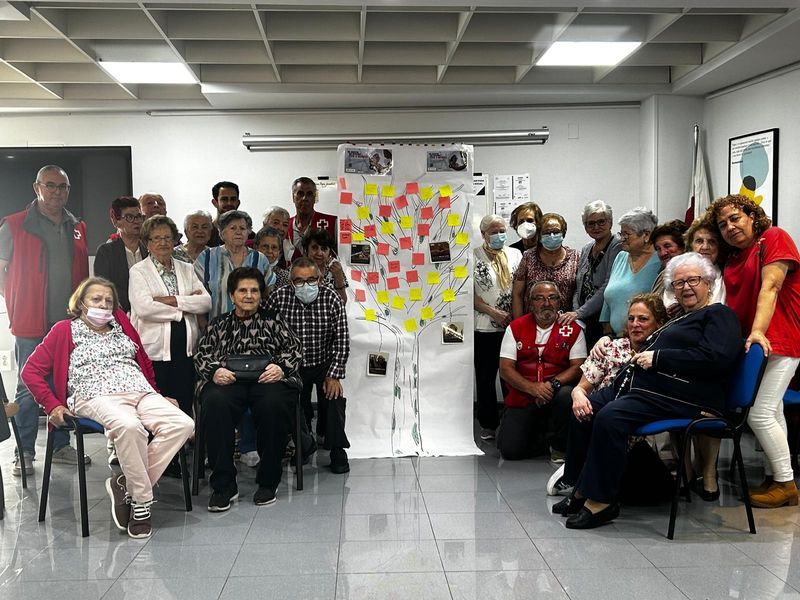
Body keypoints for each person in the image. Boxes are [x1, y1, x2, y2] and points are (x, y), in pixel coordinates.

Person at [558, 253, 742, 529]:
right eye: (679, 283)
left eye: (693, 280)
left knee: (610, 417)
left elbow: (717, 357)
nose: (686, 288)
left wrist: (659, 359)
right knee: (584, 410)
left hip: (683, 396)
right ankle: (581, 487)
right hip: (642, 387)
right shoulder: (680, 318)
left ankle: (601, 502)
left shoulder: (718, 314)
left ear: (709, 283)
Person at [20, 277, 194, 539]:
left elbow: (142, 361)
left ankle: (124, 483)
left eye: (108, 301)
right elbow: (30, 371)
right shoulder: (63, 330)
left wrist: (157, 395)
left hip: (140, 391)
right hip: (94, 394)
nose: (103, 305)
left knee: (183, 424)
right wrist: (52, 404)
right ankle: (142, 503)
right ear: (80, 303)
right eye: (96, 299)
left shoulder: (122, 324)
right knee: (129, 426)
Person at [710, 194, 800, 508]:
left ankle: (787, 484)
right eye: (722, 224)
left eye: (735, 218)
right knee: (772, 411)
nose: (729, 227)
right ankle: (776, 475)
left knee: (759, 414)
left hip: (781, 338)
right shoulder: (734, 258)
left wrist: (759, 330)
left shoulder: (772, 238)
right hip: (754, 345)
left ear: (752, 216)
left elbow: (772, 286)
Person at [0, 165, 90, 476]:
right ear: (36, 186)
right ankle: (24, 450)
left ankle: (60, 445)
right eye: (51, 186)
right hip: (30, 324)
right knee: (28, 386)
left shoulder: (77, 226)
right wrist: (13, 300)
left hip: (66, 324)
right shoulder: (14, 225)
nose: (57, 192)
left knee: (63, 384)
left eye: (63, 187)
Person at [195, 267, 303, 511]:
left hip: (267, 379)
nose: (249, 295)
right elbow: (202, 354)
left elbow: (295, 349)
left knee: (274, 404)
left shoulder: (273, 319)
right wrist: (214, 371)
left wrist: (281, 368)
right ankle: (224, 486)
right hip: (229, 380)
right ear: (232, 295)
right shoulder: (219, 324)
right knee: (214, 403)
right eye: (242, 290)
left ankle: (268, 481)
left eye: (254, 290)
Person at [550, 293, 666, 498]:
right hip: (598, 416)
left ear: (659, 323)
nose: (635, 324)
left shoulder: (662, 355)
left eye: (643, 319)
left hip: (636, 426)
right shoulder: (611, 348)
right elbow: (581, 387)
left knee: (655, 493)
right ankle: (575, 477)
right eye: (631, 319)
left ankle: (589, 475)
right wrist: (578, 396)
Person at [264, 257, 351, 474]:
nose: (306, 285)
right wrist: (279, 367)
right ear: (291, 282)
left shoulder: (332, 298)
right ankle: (303, 445)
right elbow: (267, 337)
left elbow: (342, 339)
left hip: (323, 362)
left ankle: (337, 449)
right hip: (292, 365)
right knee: (289, 401)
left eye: (312, 279)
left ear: (320, 279)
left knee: (333, 398)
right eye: (300, 281)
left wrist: (334, 375)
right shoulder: (278, 298)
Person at [129, 215, 211, 418]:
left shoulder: (187, 268)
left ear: (175, 240)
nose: (163, 243)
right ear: (147, 243)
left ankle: (182, 448)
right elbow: (144, 308)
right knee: (156, 406)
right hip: (154, 352)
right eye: (156, 238)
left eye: (167, 237)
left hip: (186, 351)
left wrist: (170, 300)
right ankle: (159, 449)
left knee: (183, 403)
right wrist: (184, 307)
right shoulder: (138, 271)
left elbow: (206, 302)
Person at [498, 281, 587, 462]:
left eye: (552, 298)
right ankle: (544, 439)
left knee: (566, 395)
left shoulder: (571, 329)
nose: (546, 303)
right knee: (510, 451)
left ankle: (560, 445)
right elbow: (505, 369)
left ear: (559, 301)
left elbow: (578, 366)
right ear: (531, 303)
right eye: (539, 298)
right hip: (524, 396)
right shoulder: (516, 327)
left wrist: (551, 385)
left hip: (556, 393)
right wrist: (532, 388)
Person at [473, 214, 523, 441]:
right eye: (493, 231)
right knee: (485, 377)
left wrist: (515, 317)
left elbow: (519, 290)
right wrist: (493, 312)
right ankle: (488, 424)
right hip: (483, 326)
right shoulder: (472, 256)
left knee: (510, 376)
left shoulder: (515, 254)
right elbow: (468, 294)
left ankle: (512, 421)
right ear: (483, 234)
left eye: (502, 230)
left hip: (511, 327)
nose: (499, 235)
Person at [561, 201, 622, 347]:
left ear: (611, 222)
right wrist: (576, 312)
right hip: (584, 318)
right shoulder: (587, 248)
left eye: (601, 222)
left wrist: (579, 313)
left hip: (604, 319)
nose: (596, 227)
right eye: (591, 223)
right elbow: (579, 284)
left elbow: (608, 285)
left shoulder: (617, 245)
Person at [195, 210, 271, 320]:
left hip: (253, 328)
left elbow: (267, 294)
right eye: (233, 228)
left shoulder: (259, 259)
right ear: (222, 233)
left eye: (242, 228)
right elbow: (196, 295)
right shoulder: (206, 258)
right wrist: (203, 326)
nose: (238, 232)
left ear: (248, 232)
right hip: (215, 328)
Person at [600, 207, 661, 336]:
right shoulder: (621, 257)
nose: (621, 238)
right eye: (621, 233)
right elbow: (608, 297)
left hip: (647, 340)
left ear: (646, 235)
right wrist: (607, 335)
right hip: (617, 339)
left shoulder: (660, 261)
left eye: (627, 234)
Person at [512, 212, 579, 318]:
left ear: (563, 233)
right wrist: (518, 325)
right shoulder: (528, 257)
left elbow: (579, 292)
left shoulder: (575, 257)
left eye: (556, 232)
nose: (552, 236)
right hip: (532, 322)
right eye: (547, 232)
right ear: (539, 235)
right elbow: (517, 294)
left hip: (564, 323)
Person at [94, 196, 148, 313]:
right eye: (129, 217)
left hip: (149, 314)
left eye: (139, 217)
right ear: (116, 221)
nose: (136, 221)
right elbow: (103, 289)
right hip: (119, 314)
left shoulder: (149, 250)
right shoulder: (106, 252)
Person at [287, 177, 337, 264]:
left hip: (323, 276)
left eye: (309, 194)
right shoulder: (285, 225)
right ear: (293, 197)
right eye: (300, 194)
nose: (304, 198)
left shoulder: (332, 222)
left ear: (315, 198)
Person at [302, 229, 347, 304]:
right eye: (314, 247)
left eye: (324, 249)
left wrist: (339, 278)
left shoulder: (336, 270)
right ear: (306, 250)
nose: (319, 253)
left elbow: (342, 303)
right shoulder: (296, 270)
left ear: (329, 252)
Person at [651, 220, 689, 296]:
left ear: (683, 246)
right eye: (658, 249)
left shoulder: (693, 273)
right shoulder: (662, 275)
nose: (662, 253)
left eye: (667, 246)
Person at [208, 181, 242, 247]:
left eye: (233, 199)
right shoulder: (206, 233)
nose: (229, 203)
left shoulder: (247, 234)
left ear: (238, 203)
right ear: (215, 202)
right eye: (224, 199)